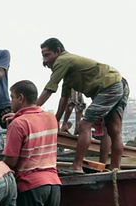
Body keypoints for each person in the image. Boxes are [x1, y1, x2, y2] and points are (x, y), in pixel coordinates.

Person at [36, 38, 129, 174]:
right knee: (113, 129)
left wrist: (30, 109)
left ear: (57, 51)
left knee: (84, 125)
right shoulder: (68, 74)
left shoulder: (63, 60)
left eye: (47, 55)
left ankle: (77, 166)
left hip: (110, 86)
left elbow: (50, 88)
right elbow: (64, 99)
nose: (45, 60)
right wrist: (56, 120)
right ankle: (114, 168)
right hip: (118, 83)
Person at [3, 80, 62, 206]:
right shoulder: (50, 118)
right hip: (54, 184)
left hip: (31, 184)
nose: (11, 101)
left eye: (12, 97)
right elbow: (35, 124)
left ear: (21, 98)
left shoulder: (18, 124)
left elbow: (11, 161)